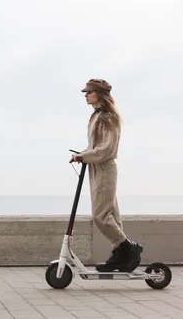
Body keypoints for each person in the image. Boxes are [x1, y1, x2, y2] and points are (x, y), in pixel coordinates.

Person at [69, 78, 143, 273]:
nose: (86, 95)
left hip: (104, 168)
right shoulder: (96, 116)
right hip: (96, 168)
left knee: (100, 216)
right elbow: (95, 147)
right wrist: (81, 155)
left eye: (89, 92)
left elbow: (107, 149)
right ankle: (119, 255)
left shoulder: (107, 117)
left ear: (99, 94)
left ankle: (128, 247)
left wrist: (83, 156)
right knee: (111, 215)